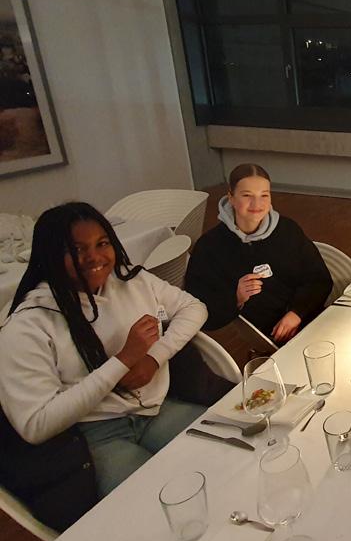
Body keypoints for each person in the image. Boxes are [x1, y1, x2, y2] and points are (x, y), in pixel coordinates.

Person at [0, 202, 208, 505]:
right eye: (77, 249)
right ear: (50, 256)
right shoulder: (28, 324)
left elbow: (193, 307)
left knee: (225, 455)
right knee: (157, 502)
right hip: (93, 435)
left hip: (154, 410)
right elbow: (36, 424)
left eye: (102, 243)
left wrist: (154, 358)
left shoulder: (130, 281)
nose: (94, 257)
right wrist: (123, 361)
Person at [185, 163, 332, 343]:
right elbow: (198, 307)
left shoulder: (287, 230)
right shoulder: (210, 247)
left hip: (309, 319)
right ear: (231, 197)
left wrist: (297, 313)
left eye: (264, 195)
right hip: (267, 336)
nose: (257, 204)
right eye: (247, 195)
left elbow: (319, 279)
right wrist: (236, 298)